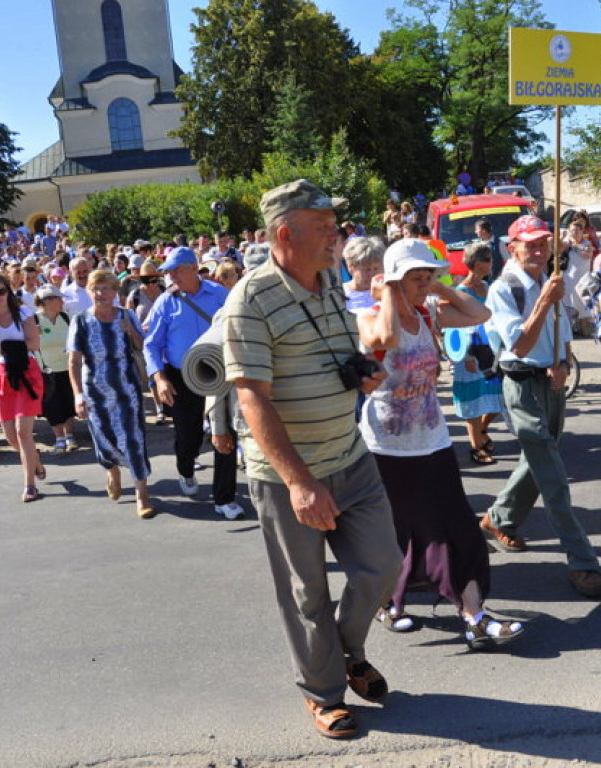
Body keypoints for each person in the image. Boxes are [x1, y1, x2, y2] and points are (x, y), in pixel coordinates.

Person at [222, 179, 402, 740]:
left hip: (350, 454)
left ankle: (344, 652)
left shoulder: (330, 283)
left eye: (334, 224)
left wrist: (363, 371)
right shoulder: (249, 300)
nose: (336, 235)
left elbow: (339, 352)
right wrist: (299, 483)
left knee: (383, 566)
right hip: (287, 475)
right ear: (285, 234)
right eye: (323, 226)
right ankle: (323, 692)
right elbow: (251, 398)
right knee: (308, 591)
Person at [358, 238, 522, 648]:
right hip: (386, 448)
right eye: (415, 277)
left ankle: (474, 615)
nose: (423, 284)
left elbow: (480, 313)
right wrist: (391, 291)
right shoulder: (367, 315)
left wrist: (438, 286)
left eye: (427, 275)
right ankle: (387, 602)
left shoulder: (430, 312)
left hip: (433, 440)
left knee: (460, 528)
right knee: (394, 533)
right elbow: (386, 338)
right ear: (394, 280)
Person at [481, 215, 601, 600]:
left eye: (543, 243)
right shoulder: (504, 289)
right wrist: (544, 301)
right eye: (530, 244)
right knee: (552, 473)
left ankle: (498, 519)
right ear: (512, 248)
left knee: (538, 460)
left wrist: (564, 363)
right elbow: (519, 344)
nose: (538, 250)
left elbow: (563, 330)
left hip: (551, 381)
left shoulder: (550, 281)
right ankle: (582, 559)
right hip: (521, 383)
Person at [143, 247, 242, 520]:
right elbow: (151, 345)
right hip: (181, 377)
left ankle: (224, 498)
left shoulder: (220, 294)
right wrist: (160, 378)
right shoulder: (166, 301)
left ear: (193, 268)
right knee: (189, 437)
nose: (172, 276)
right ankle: (186, 469)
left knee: (225, 434)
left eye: (177, 270)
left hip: (219, 373)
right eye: (169, 272)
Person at [67, 270, 155, 519]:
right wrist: (78, 395)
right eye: (95, 288)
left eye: (106, 288)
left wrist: (131, 332)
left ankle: (142, 495)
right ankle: (112, 469)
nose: (100, 293)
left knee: (134, 439)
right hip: (95, 392)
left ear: (115, 292)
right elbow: (74, 361)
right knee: (104, 438)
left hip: (127, 389)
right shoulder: (81, 320)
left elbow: (143, 346)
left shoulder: (127, 315)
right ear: (88, 291)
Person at [0, 272, 47, 502]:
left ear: (8, 291)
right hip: (2, 374)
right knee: (10, 436)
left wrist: (2, 347)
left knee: (22, 431)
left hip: (26, 372)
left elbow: (34, 343)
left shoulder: (23, 313)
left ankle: (30, 485)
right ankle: (35, 459)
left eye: (2, 291)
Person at [451, 242, 504, 464]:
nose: (492, 263)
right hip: (470, 353)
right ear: (478, 263)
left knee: (498, 396)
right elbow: (454, 328)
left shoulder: (487, 287)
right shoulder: (460, 292)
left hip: (489, 351)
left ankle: (481, 430)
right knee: (473, 400)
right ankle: (476, 446)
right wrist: (467, 356)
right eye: (488, 259)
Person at [34, 285, 78, 453]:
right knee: (52, 405)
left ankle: (70, 436)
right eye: (58, 298)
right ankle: (59, 438)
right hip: (46, 371)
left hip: (68, 368)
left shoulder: (66, 318)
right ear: (47, 301)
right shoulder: (34, 320)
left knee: (68, 403)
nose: (62, 301)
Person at [126, 260, 168, 425]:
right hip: (144, 342)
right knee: (151, 374)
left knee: (168, 373)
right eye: (146, 280)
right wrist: (137, 332)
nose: (150, 284)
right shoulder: (135, 295)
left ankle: (170, 405)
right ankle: (159, 409)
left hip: (165, 339)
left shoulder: (165, 292)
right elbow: (128, 318)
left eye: (153, 280)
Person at [341, 236, 385, 313]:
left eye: (376, 268)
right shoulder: (339, 295)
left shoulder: (388, 292)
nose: (372, 275)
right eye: (366, 270)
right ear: (350, 267)